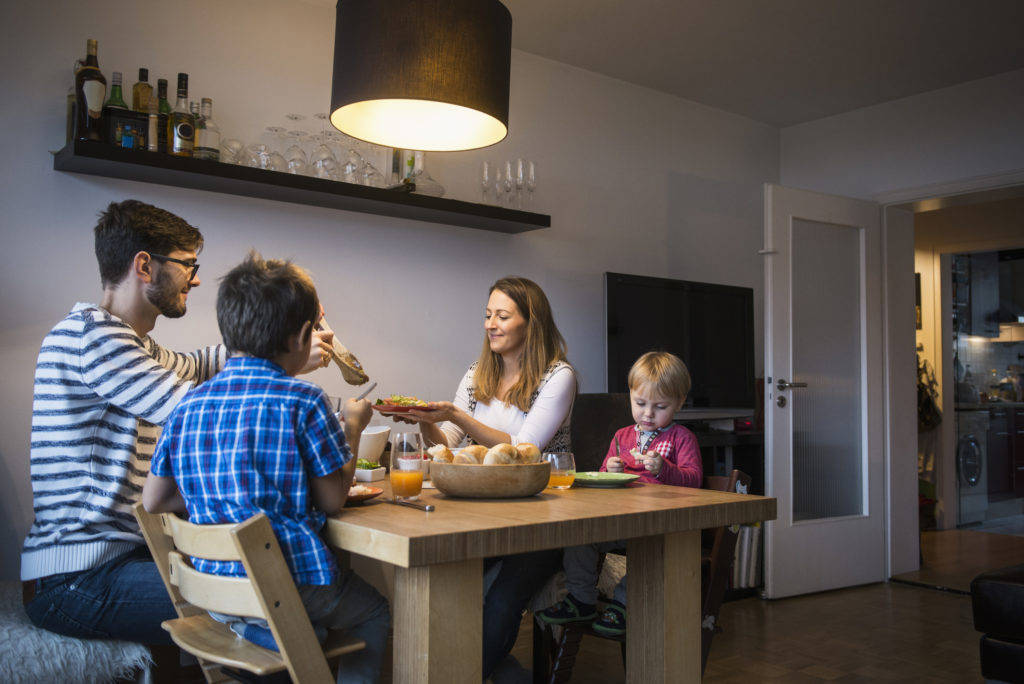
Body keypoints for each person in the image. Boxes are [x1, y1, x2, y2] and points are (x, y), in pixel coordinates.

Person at [21, 201, 334, 645]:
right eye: (188, 264)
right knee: (281, 603)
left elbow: (199, 366)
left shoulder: (132, 345)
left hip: (120, 562)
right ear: (145, 266)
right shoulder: (91, 335)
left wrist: (274, 340)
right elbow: (199, 410)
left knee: (282, 598)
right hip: (78, 578)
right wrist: (281, 358)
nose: (198, 277)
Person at [143, 252, 389, 683]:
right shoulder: (303, 400)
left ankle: (261, 631)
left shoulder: (190, 404)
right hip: (284, 583)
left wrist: (222, 485)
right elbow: (332, 500)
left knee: (306, 621)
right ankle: (280, 633)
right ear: (299, 337)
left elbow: (155, 498)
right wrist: (352, 425)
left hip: (212, 587)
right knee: (375, 610)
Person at [398, 276, 577, 679]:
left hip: (544, 519)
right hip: (480, 513)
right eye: (487, 315)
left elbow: (523, 449)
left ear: (531, 323)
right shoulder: (477, 372)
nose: (489, 324)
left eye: (502, 315)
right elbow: (448, 442)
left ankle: (466, 673)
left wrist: (456, 414)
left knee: (503, 598)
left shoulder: (557, 376)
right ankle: (493, 672)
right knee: (439, 580)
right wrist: (426, 422)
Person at [537, 351, 701, 636]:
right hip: (621, 519)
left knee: (650, 546)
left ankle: (624, 603)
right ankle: (581, 599)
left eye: (660, 406)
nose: (648, 413)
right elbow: (604, 478)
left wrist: (665, 469)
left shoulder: (681, 438)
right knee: (580, 534)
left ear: (679, 403)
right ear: (630, 396)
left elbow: (694, 481)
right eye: (640, 403)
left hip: (656, 524)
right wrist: (608, 469)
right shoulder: (622, 436)